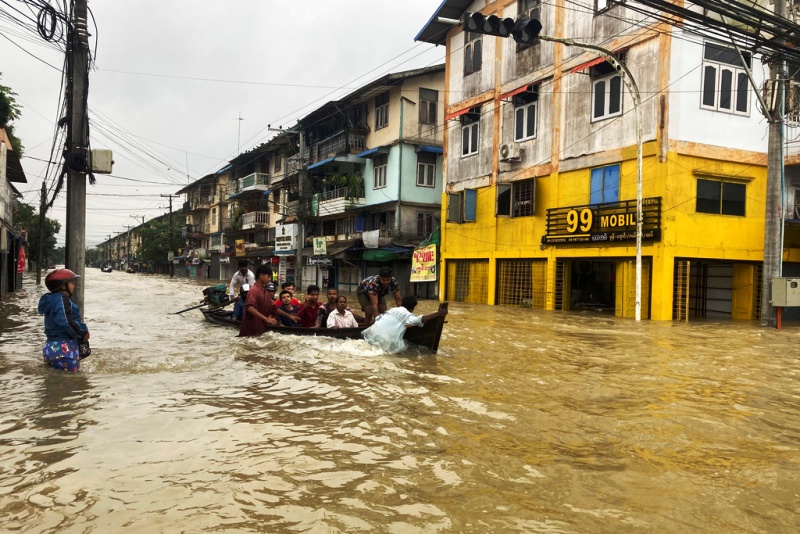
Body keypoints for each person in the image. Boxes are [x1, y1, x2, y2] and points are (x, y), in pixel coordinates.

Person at [38, 268, 90, 372]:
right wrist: (82, 333)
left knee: (55, 380)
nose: (74, 286)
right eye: (71, 282)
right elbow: (65, 321)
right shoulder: (62, 300)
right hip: (64, 349)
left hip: (50, 347)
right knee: (72, 381)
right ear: (63, 286)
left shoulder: (50, 300)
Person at [362, 295, 447, 354]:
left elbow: (375, 320)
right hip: (386, 344)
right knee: (404, 348)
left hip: (371, 335)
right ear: (413, 307)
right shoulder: (407, 315)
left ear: (402, 302)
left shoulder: (391, 310)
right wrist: (438, 314)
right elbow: (420, 319)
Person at [238, 265, 278, 337]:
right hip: (251, 330)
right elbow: (249, 307)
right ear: (261, 275)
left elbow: (273, 306)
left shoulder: (264, 290)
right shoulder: (254, 290)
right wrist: (266, 319)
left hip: (260, 329)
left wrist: (288, 316)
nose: (270, 279)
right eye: (268, 276)